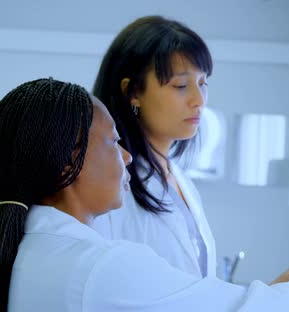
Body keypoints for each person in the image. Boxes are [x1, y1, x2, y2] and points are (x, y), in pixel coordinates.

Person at [0, 78, 289, 311]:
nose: (127, 158)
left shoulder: (36, 252)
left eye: (203, 83)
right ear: (66, 161)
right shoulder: (100, 267)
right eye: (114, 143)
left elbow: (206, 301)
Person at [91, 15, 217, 278]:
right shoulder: (106, 187)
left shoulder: (183, 183)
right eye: (181, 85)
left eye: (203, 83)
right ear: (133, 92)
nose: (198, 100)